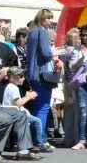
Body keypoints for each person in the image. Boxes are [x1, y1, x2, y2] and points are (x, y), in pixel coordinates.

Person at [24, 10, 60, 141]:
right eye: (48, 19)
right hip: (42, 74)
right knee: (43, 108)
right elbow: (45, 53)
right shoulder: (42, 32)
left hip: (33, 74)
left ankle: (35, 138)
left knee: (37, 107)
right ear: (42, 19)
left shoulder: (31, 33)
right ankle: (40, 139)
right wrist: (55, 52)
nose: (50, 21)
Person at [1, 67, 54, 152]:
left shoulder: (11, 87)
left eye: (23, 76)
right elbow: (18, 103)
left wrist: (26, 97)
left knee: (33, 121)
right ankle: (39, 143)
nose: (23, 78)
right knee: (37, 121)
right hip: (15, 113)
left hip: (14, 112)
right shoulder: (13, 87)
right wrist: (28, 97)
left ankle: (33, 142)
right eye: (21, 76)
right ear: (12, 78)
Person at [59, 28, 82, 148]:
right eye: (77, 38)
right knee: (76, 111)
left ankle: (67, 138)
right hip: (75, 82)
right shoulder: (75, 51)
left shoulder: (62, 51)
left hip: (65, 82)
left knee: (67, 111)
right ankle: (75, 138)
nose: (80, 40)